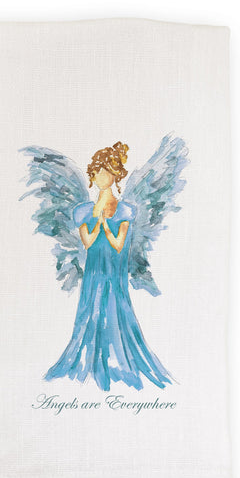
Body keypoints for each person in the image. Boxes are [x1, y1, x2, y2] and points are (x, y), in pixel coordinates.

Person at [44, 142, 172, 391]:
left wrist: (104, 224)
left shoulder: (125, 210)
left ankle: (119, 364)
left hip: (114, 275)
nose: (100, 176)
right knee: (90, 312)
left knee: (115, 311)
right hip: (94, 274)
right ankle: (90, 362)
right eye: (96, 172)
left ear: (115, 175)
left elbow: (118, 244)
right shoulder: (83, 211)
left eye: (104, 171)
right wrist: (97, 223)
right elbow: (88, 242)